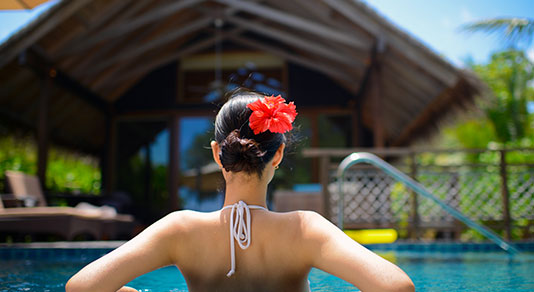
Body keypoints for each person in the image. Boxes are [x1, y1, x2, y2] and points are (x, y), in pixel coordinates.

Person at [66, 89, 415, 292]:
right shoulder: (306, 230)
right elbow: (397, 287)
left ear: (218, 154)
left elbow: (80, 288)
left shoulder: (179, 230)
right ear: (277, 154)